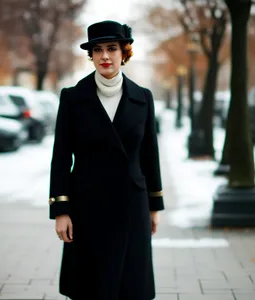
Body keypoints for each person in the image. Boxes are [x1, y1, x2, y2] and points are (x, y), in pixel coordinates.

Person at [49, 20, 164, 300]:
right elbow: (61, 156)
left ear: (124, 52)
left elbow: (150, 154)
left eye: (112, 48)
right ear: (90, 56)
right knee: (92, 286)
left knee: (130, 286)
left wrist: (153, 206)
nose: (104, 56)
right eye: (97, 50)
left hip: (131, 204)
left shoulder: (143, 98)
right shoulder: (73, 98)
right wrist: (61, 209)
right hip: (88, 205)